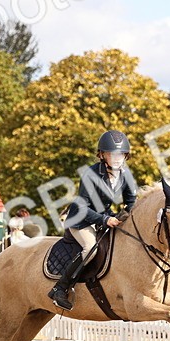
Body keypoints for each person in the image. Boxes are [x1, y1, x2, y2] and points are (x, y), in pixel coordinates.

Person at [47, 130, 138, 310]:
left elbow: (131, 201)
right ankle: (60, 288)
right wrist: (105, 220)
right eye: (113, 154)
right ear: (102, 155)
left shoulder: (126, 175)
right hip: (80, 220)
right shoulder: (90, 174)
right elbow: (82, 207)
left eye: (121, 154)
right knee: (91, 248)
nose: (117, 158)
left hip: (103, 217)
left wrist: (127, 214)